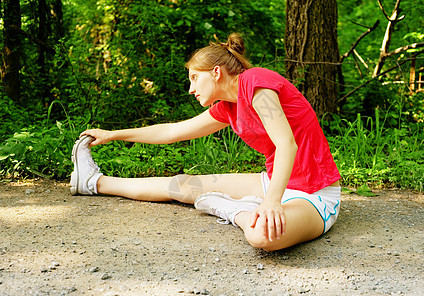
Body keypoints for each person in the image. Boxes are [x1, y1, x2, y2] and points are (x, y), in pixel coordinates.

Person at [70, 33, 341, 252]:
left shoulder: (256, 82)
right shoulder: (228, 107)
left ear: (216, 72)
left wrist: (271, 202)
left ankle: (230, 208)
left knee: (262, 236)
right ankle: (93, 182)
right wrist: (113, 134)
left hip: (314, 195)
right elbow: (173, 132)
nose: (191, 89)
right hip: (274, 182)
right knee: (181, 185)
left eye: (194, 78)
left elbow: (286, 144)